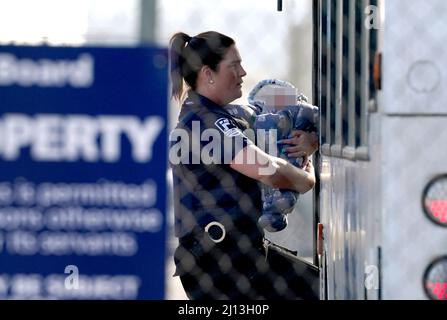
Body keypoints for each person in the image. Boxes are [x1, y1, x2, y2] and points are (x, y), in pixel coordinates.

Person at [169, 31, 319, 300]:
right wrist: (307, 180)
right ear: (208, 73)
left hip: (232, 255)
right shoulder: (207, 122)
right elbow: (268, 170)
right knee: (314, 290)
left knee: (317, 287)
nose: (243, 72)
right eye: (234, 65)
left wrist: (306, 141)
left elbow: (269, 137)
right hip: (221, 265)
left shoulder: (205, 115)